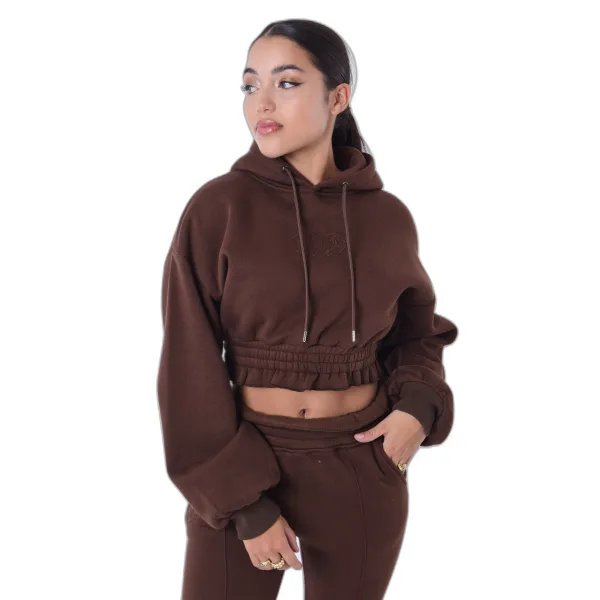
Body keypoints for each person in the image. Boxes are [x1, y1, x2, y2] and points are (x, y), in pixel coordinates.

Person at [156, 17, 459, 600]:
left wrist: (417, 410)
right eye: (250, 85)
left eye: (287, 83)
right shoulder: (217, 208)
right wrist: (244, 504)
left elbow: (416, 332)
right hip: (246, 462)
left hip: (363, 463)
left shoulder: (387, 216)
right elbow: (187, 363)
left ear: (338, 98)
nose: (262, 103)